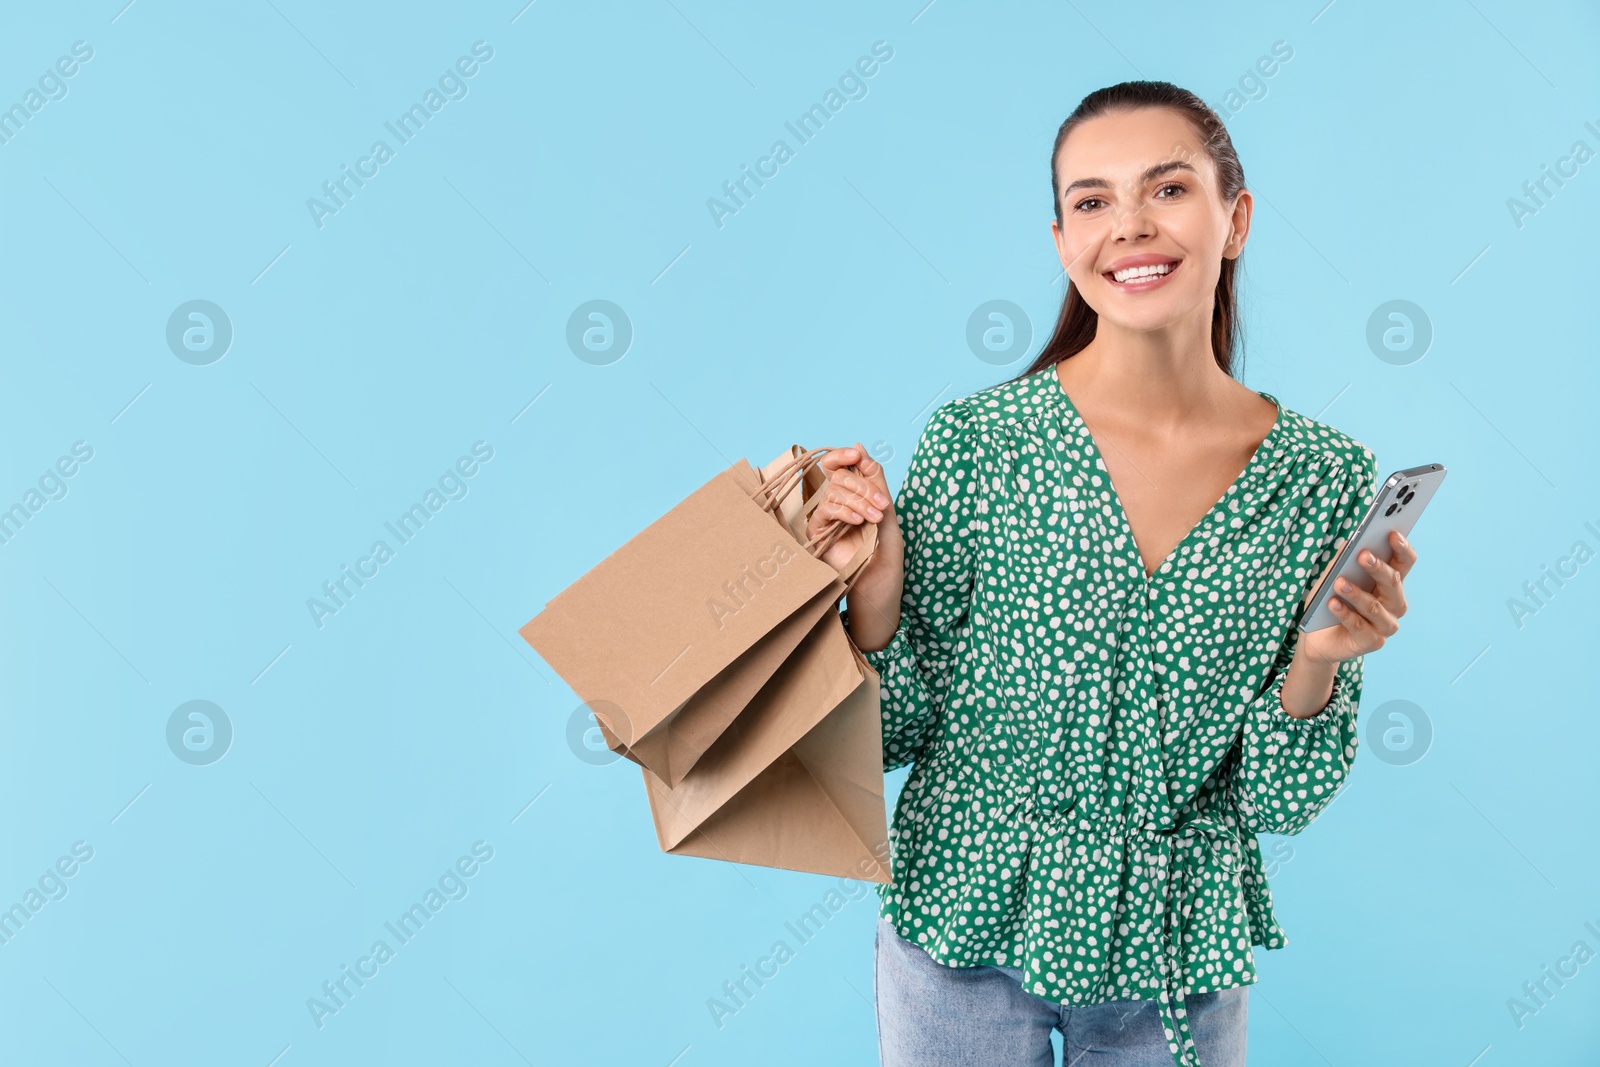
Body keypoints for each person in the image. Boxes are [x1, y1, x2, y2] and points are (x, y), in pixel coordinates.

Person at [808, 80, 1418, 1067]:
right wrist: (872, 593)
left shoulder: (1322, 477)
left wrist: (1318, 657)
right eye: (1091, 201)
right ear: (1060, 240)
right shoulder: (979, 440)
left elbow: (1278, 800)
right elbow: (894, 732)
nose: (1128, 225)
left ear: (1235, 218)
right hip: (960, 921)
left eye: (1167, 189)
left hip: (1176, 952)